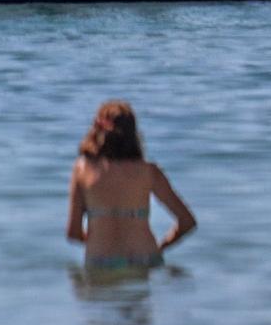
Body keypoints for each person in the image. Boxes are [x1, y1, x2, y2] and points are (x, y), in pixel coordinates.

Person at [66, 100, 196, 272]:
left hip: (101, 263)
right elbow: (187, 221)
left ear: (96, 130)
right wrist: (161, 247)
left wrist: (98, 239)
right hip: (145, 259)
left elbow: (73, 233)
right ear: (133, 134)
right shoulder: (149, 171)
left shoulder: (82, 169)